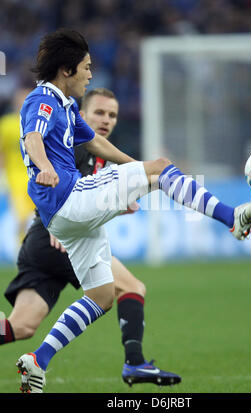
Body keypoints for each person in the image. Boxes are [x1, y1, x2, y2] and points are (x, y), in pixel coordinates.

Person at [15, 28, 251, 393]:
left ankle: (38, 361)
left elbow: (97, 142)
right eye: (86, 67)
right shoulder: (44, 100)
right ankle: (234, 218)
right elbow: (33, 137)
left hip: (66, 219)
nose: (90, 74)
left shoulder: (68, 107)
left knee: (102, 295)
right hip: (69, 197)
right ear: (66, 69)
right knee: (163, 167)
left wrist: (142, 170)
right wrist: (44, 166)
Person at [2, 87, 181, 388]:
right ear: (81, 116)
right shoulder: (74, 146)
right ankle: (135, 363)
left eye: (112, 115)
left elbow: (93, 198)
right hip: (54, 238)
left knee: (20, 326)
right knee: (130, 287)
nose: (106, 120)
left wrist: (124, 201)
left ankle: (133, 364)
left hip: (39, 246)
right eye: (99, 112)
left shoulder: (100, 157)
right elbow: (49, 188)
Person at [0, 87, 35, 243]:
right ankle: (21, 250)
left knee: (36, 217)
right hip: (15, 179)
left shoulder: (36, 125)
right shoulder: (6, 124)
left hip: (36, 178)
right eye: (19, 100)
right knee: (21, 217)